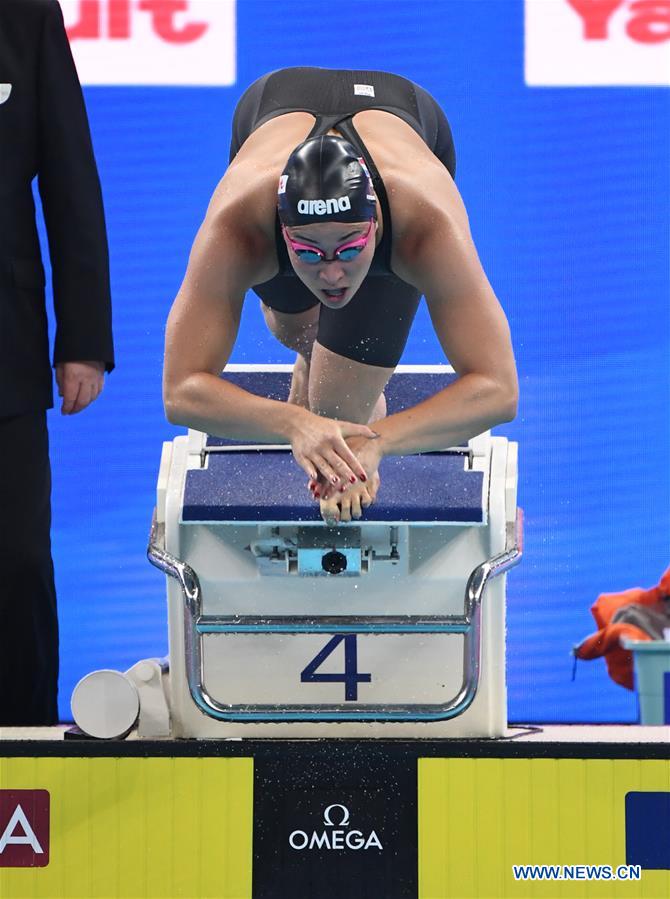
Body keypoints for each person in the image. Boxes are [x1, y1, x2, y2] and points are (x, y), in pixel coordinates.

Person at [164, 67, 517, 524]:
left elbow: (498, 390)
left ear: (376, 226)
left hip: (404, 113)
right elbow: (180, 392)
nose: (332, 272)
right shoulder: (239, 229)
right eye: (308, 253)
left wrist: (377, 439)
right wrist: (295, 425)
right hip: (270, 104)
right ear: (280, 231)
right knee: (291, 327)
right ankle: (315, 351)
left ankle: (339, 378)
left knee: (337, 410)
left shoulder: (423, 227)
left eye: (350, 247)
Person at [0, 0, 114, 725]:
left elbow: (71, 182)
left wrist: (84, 339)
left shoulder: (25, 18)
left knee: (15, 563)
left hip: (3, 355)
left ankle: (23, 748)